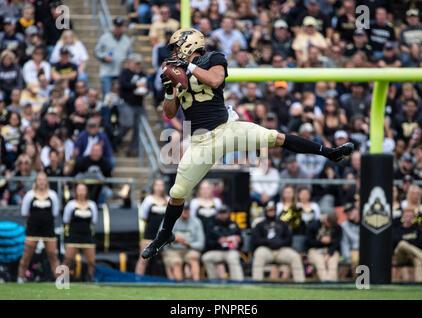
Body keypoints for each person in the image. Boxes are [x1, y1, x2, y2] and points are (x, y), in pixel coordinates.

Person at [142, 28, 354, 260]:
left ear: (188, 43)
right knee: (178, 192)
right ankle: (164, 234)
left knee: (276, 137)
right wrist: (170, 93)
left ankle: (329, 152)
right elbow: (170, 113)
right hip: (200, 139)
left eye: (176, 47)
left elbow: (215, 80)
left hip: (227, 129)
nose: (174, 53)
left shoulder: (213, 58)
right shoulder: (176, 71)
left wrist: (189, 68)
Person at [17, 172, 60, 283]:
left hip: (48, 229)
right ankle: (20, 278)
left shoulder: (52, 195)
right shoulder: (30, 195)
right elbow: (24, 212)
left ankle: (60, 280)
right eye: (39, 180)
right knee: (27, 255)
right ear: (36, 182)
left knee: (52, 255)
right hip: (33, 229)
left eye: (43, 179)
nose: (41, 182)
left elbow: (55, 212)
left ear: (46, 181)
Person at [252, 201, 305, 282]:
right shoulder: (260, 224)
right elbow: (256, 240)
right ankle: (256, 282)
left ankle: (300, 282)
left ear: (275, 210)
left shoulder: (282, 223)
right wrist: (267, 241)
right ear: (265, 211)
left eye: (273, 210)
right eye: (269, 210)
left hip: (281, 249)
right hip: (266, 249)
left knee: (295, 256)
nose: (271, 211)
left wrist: (280, 242)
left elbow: (289, 239)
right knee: (258, 255)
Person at [62, 183, 98, 281]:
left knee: (91, 262)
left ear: (86, 192)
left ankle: (91, 279)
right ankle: (61, 279)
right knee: (68, 260)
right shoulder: (71, 205)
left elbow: (94, 220)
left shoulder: (92, 205)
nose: (81, 192)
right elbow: (66, 220)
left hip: (87, 236)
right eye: (79, 190)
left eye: (83, 190)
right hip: (74, 236)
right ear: (76, 192)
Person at [162, 202, 205, 281]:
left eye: (187, 209)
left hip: (190, 249)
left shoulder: (196, 221)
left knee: (193, 259)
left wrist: (188, 244)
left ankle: (196, 283)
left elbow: (201, 244)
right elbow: (161, 238)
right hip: (173, 250)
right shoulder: (170, 220)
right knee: (176, 262)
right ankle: (179, 285)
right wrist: (174, 239)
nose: (185, 212)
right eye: (183, 210)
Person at [135, 179, 169, 275]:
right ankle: (137, 279)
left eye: (161, 185)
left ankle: (172, 282)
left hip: (164, 234)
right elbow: (143, 215)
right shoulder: (149, 199)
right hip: (150, 233)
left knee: (167, 260)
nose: (159, 188)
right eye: (157, 185)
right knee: (143, 259)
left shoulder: (168, 199)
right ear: (153, 187)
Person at [201, 205, 244, 281]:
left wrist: (239, 240)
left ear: (228, 214)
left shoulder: (234, 224)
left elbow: (241, 241)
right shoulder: (212, 225)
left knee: (233, 258)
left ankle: (238, 281)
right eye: (221, 213)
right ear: (217, 214)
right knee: (206, 258)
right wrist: (218, 242)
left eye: (224, 213)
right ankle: (213, 281)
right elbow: (207, 243)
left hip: (231, 251)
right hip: (217, 251)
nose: (223, 215)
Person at [118, 53, 148, 156]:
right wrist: (136, 84)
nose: (138, 66)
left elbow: (147, 87)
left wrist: (146, 90)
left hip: (139, 103)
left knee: (139, 128)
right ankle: (116, 140)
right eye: (136, 64)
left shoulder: (142, 74)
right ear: (130, 63)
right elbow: (123, 84)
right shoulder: (125, 72)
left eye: (139, 64)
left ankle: (133, 150)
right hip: (127, 103)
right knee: (127, 124)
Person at [94, 17, 131, 96]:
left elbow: (129, 56)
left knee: (120, 98)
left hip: (120, 73)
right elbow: (96, 51)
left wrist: (127, 63)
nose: (118, 28)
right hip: (107, 72)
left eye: (120, 26)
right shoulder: (105, 37)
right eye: (116, 26)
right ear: (113, 26)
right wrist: (104, 57)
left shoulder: (126, 40)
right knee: (108, 98)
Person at [393, 207, 422, 282]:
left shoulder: (417, 230)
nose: (408, 218)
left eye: (410, 216)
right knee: (402, 244)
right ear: (402, 217)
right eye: (406, 216)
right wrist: (411, 244)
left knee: (419, 261)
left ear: (413, 218)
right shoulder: (397, 230)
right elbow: (396, 243)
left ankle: (419, 285)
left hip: (413, 255)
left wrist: (410, 246)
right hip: (400, 256)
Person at [306, 212, 342, 282]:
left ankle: (332, 282)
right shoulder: (314, 225)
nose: (330, 226)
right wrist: (321, 241)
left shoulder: (338, 228)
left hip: (330, 250)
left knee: (332, 262)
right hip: (314, 250)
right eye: (329, 224)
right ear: (326, 219)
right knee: (320, 262)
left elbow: (337, 243)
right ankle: (326, 282)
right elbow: (308, 242)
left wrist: (329, 253)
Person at [340, 201, 360, 276]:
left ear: (357, 210)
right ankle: (359, 283)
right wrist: (347, 257)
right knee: (355, 259)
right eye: (347, 212)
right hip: (354, 250)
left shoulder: (366, 221)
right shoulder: (344, 226)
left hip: (367, 250)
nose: (349, 213)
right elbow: (344, 243)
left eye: (351, 211)